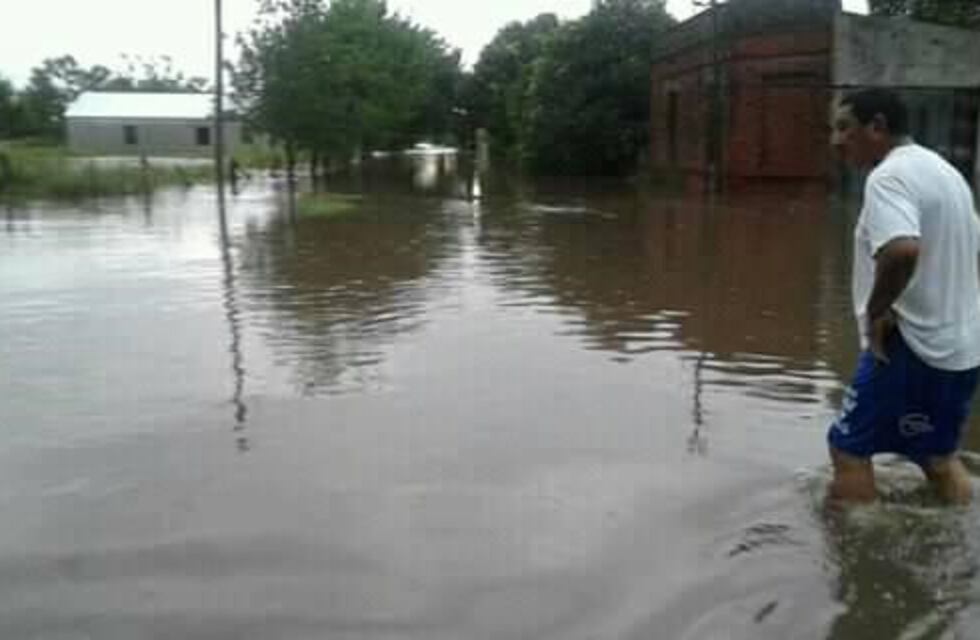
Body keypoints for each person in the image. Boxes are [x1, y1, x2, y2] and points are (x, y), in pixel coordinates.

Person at [828, 88, 980, 504]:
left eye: (844, 128)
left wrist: (877, 311)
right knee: (937, 458)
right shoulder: (946, 174)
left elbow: (901, 250)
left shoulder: (888, 177)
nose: (836, 141)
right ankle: (962, 529)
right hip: (963, 349)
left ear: (877, 126)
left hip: (910, 346)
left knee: (848, 449)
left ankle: (857, 543)